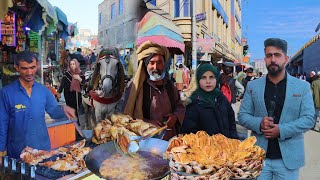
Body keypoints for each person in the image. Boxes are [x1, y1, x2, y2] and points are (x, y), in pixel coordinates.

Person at [238, 38, 315, 179]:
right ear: (265, 58)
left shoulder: (302, 87)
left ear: (286, 58)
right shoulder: (253, 86)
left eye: (277, 55)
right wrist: (259, 123)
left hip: (288, 160)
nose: (273, 59)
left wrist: (282, 130)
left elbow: (309, 119)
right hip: (258, 158)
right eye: (269, 55)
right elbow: (242, 115)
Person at [0, 51, 76, 159]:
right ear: (16, 67)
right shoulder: (6, 93)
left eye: (32, 67)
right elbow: (2, 124)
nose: (29, 72)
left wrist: (64, 109)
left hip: (43, 151)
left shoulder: (43, 91)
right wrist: (1, 151)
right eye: (24, 68)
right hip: (18, 153)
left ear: (37, 65)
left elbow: (54, 112)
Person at [122, 41, 185, 140]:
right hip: (145, 143)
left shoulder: (170, 86)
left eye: (159, 62)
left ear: (164, 64)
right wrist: (147, 123)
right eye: (151, 63)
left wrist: (175, 117)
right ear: (146, 65)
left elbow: (180, 106)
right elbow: (127, 117)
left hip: (170, 140)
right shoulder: (136, 88)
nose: (155, 67)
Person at [181, 63, 238, 138]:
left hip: (226, 147)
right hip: (204, 148)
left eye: (211, 77)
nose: (208, 81)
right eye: (203, 77)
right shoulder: (193, 103)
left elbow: (231, 121)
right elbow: (189, 134)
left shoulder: (221, 98)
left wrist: (233, 139)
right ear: (198, 80)